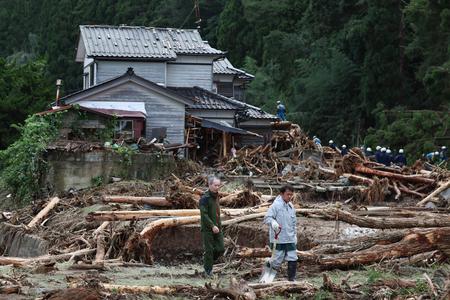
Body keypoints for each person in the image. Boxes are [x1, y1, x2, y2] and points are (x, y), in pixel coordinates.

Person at [264, 185, 297, 281]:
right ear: (281, 194)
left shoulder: (291, 207)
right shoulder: (275, 206)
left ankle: (291, 279)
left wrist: (295, 234)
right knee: (276, 261)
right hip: (279, 238)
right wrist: (273, 222)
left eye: (291, 194)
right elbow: (267, 218)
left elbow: (294, 223)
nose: (289, 197)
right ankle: (266, 276)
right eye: (287, 194)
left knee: (293, 257)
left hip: (290, 237)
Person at [200, 176, 225, 278]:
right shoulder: (204, 199)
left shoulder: (217, 197)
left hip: (218, 227)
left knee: (220, 248)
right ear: (209, 185)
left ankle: (208, 259)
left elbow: (217, 214)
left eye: (218, 186)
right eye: (215, 185)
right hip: (208, 228)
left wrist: (218, 225)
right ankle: (208, 271)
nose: (217, 188)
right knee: (209, 249)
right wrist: (212, 226)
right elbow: (204, 215)